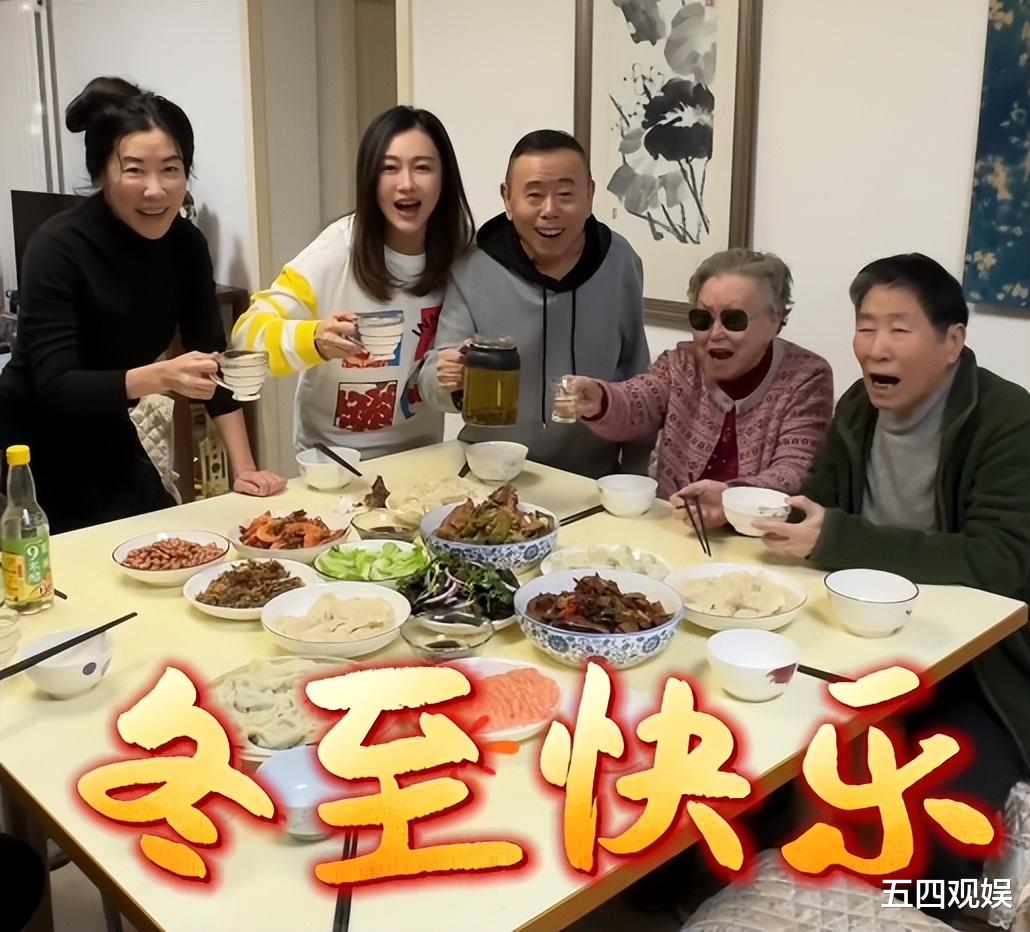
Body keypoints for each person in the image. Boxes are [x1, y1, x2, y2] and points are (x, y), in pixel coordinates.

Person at [754, 254, 1030, 910]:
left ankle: (918, 912)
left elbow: (1001, 561)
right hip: (857, 642)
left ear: (952, 341)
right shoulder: (859, 407)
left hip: (976, 667)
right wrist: (751, 507)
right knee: (757, 761)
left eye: (899, 329)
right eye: (865, 326)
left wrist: (839, 539)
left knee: (938, 825)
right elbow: (822, 505)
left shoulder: (1007, 419)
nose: (875, 347)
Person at [0, 77, 283, 533]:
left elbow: (212, 358)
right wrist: (161, 376)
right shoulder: (57, 247)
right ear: (101, 174)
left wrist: (245, 468)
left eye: (171, 169)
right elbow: (57, 385)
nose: (155, 190)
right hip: (28, 446)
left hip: (106, 425)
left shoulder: (187, 245)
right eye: (134, 170)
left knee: (162, 539)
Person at [232, 106, 474, 458]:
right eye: (389, 168)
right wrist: (314, 339)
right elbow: (245, 337)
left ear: (445, 177)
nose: (406, 183)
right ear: (369, 178)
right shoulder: (336, 250)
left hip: (421, 456)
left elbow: (443, 382)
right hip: (333, 461)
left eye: (422, 167)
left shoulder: (462, 251)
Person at [418, 129, 652, 478]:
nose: (550, 210)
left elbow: (640, 383)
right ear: (507, 199)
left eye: (565, 194)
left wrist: (634, 478)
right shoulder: (472, 266)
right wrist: (446, 378)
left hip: (589, 481)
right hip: (490, 475)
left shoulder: (619, 262)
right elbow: (431, 380)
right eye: (535, 195)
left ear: (590, 195)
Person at [566, 249, 833, 525]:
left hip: (759, 533)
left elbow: (794, 470)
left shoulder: (806, 376)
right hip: (675, 524)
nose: (715, 333)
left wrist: (729, 498)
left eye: (734, 320)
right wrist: (600, 399)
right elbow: (638, 400)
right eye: (703, 320)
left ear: (774, 321)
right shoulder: (681, 363)